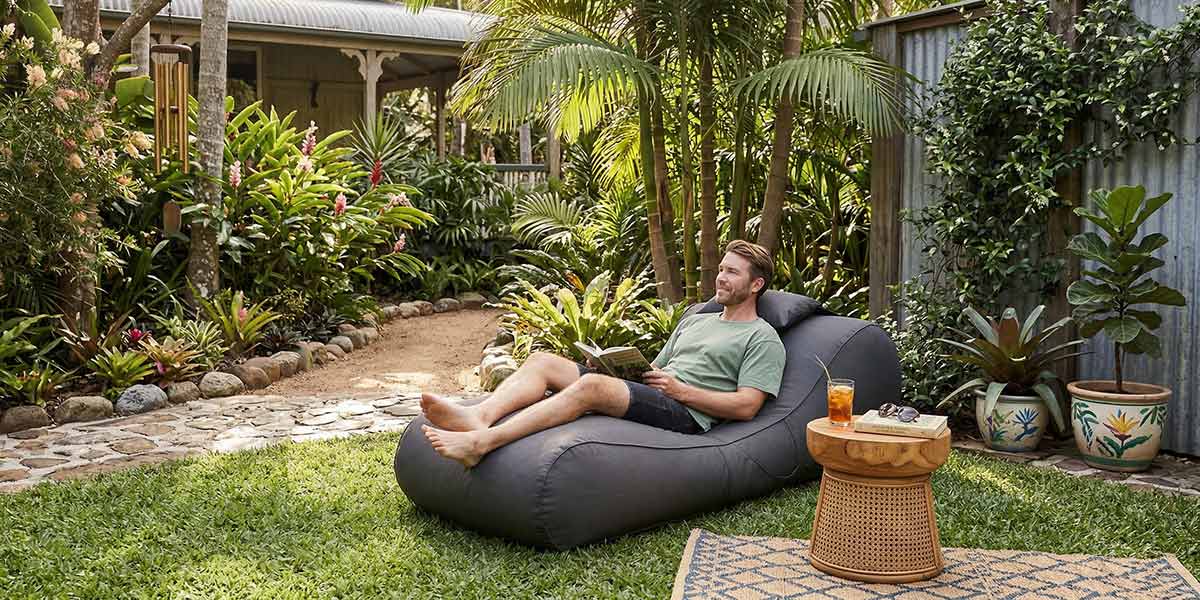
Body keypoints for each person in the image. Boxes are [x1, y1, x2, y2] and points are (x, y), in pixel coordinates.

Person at [420, 240, 786, 468]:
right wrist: (617, 367)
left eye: (732, 273)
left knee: (592, 387)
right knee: (543, 361)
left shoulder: (762, 337)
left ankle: (480, 444)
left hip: (688, 413)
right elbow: (656, 369)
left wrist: (681, 392)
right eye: (721, 269)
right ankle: (479, 417)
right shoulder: (697, 321)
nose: (721, 278)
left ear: (756, 285)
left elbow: (747, 406)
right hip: (660, 393)